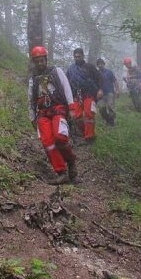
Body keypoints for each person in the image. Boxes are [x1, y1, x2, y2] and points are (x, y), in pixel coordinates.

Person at [28, 46, 78, 185]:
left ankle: (71, 161)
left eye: (41, 60)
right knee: (48, 143)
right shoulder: (33, 79)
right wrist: (32, 117)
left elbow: (66, 88)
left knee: (60, 137)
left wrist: (72, 107)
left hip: (58, 108)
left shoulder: (56, 71)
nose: (40, 63)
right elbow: (30, 98)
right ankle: (61, 172)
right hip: (43, 113)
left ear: (46, 59)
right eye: (37, 61)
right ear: (34, 61)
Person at [66, 48, 103, 143]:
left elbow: (99, 78)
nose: (77, 58)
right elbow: (66, 83)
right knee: (77, 116)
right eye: (75, 57)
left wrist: (100, 90)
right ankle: (84, 132)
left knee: (89, 114)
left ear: (83, 56)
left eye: (79, 56)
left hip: (89, 93)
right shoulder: (71, 69)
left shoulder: (90, 67)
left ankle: (90, 137)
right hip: (76, 95)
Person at [96, 58, 119, 126]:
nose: (100, 65)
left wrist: (117, 90)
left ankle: (112, 123)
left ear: (104, 64)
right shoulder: (96, 73)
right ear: (97, 65)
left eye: (101, 64)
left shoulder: (109, 72)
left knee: (110, 107)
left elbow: (115, 81)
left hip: (110, 92)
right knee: (101, 108)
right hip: (100, 95)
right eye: (98, 64)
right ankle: (107, 119)